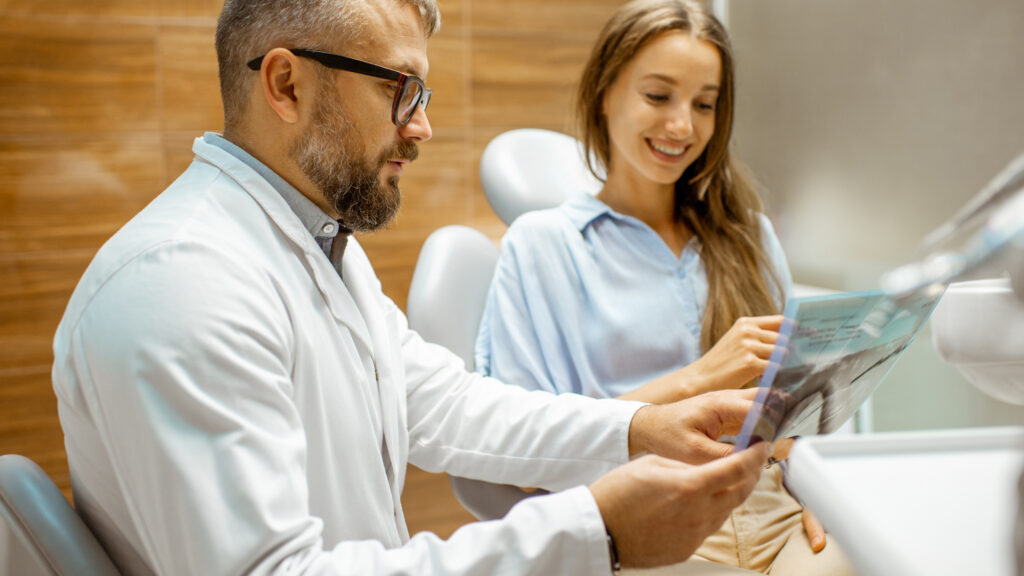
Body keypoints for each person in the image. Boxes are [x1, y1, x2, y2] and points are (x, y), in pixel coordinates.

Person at [50, 0, 774, 574]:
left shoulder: (316, 242)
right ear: (285, 83)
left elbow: (445, 405)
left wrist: (639, 429)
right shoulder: (183, 283)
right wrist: (599, 531)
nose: (422, 126)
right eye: (400, 90)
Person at [474, 1, 855, 574]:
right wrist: (699, 378)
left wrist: (821, 487)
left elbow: (791, 418)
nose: (683, 126)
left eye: (704, 104)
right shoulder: (543, 247)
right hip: (648, 520)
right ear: (605, 93)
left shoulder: (747, 236)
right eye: (658, 96)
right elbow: (526, 455)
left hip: (777, 510)